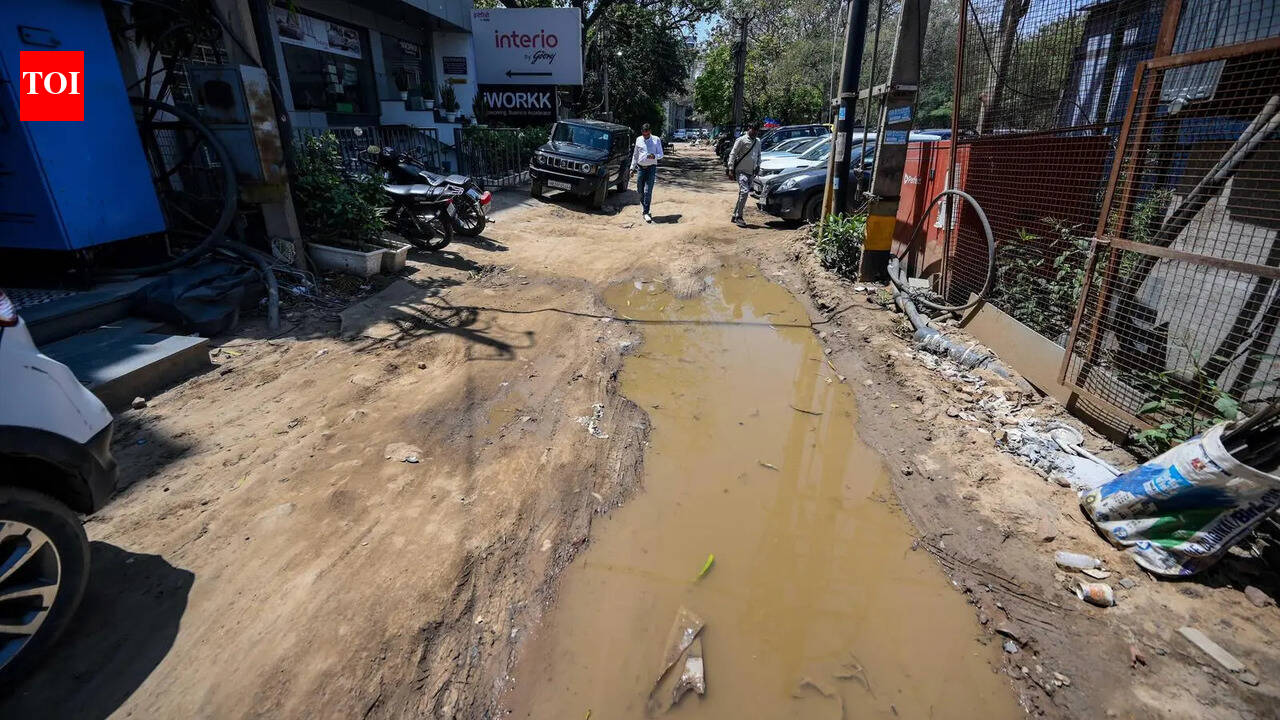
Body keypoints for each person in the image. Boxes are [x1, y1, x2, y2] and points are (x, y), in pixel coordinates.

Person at [726, 123, 761, 227]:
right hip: (741, 171)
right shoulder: (741, 140)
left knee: (743, 193)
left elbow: (759, 155)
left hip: (751, 172)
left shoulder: (758, 141)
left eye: (757, 130)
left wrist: (758, 165)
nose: (755, 131)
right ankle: (739, 217)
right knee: (745, 192)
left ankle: (735, 214)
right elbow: (733, 153)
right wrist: (730, 169)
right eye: (753, 129)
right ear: (749, 128)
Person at [630, 123, 664, 223]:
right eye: (644, 134)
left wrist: (653, 156)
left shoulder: (656, 140)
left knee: (647, 191)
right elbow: (635, 155)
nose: (645, 136)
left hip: (651, 168)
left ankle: (646, 211)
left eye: (647, 135)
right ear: (642, 132)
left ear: (650, 132)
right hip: (640, 168)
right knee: (639, 190)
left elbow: (661, 154)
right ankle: (644, 206)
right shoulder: (638, 139)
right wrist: (632, 168)